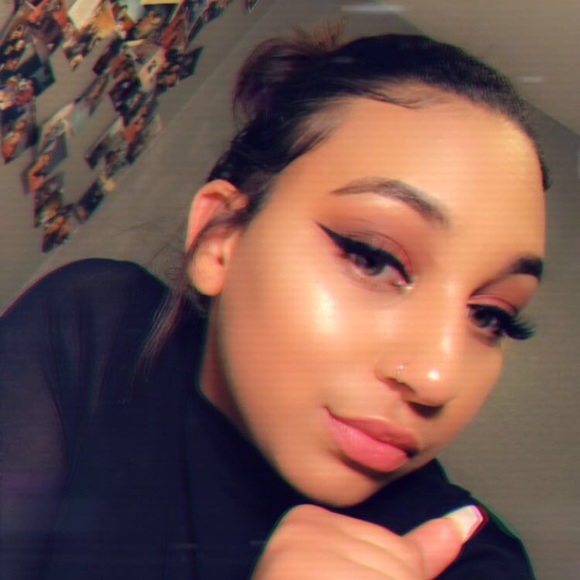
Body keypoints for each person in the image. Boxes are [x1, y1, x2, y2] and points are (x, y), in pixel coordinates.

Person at [0, 28, 547, 580]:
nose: (436, 378)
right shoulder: (94, 327)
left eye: (490, 316)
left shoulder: (473, 562)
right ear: (220, 239)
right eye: (372, 258)